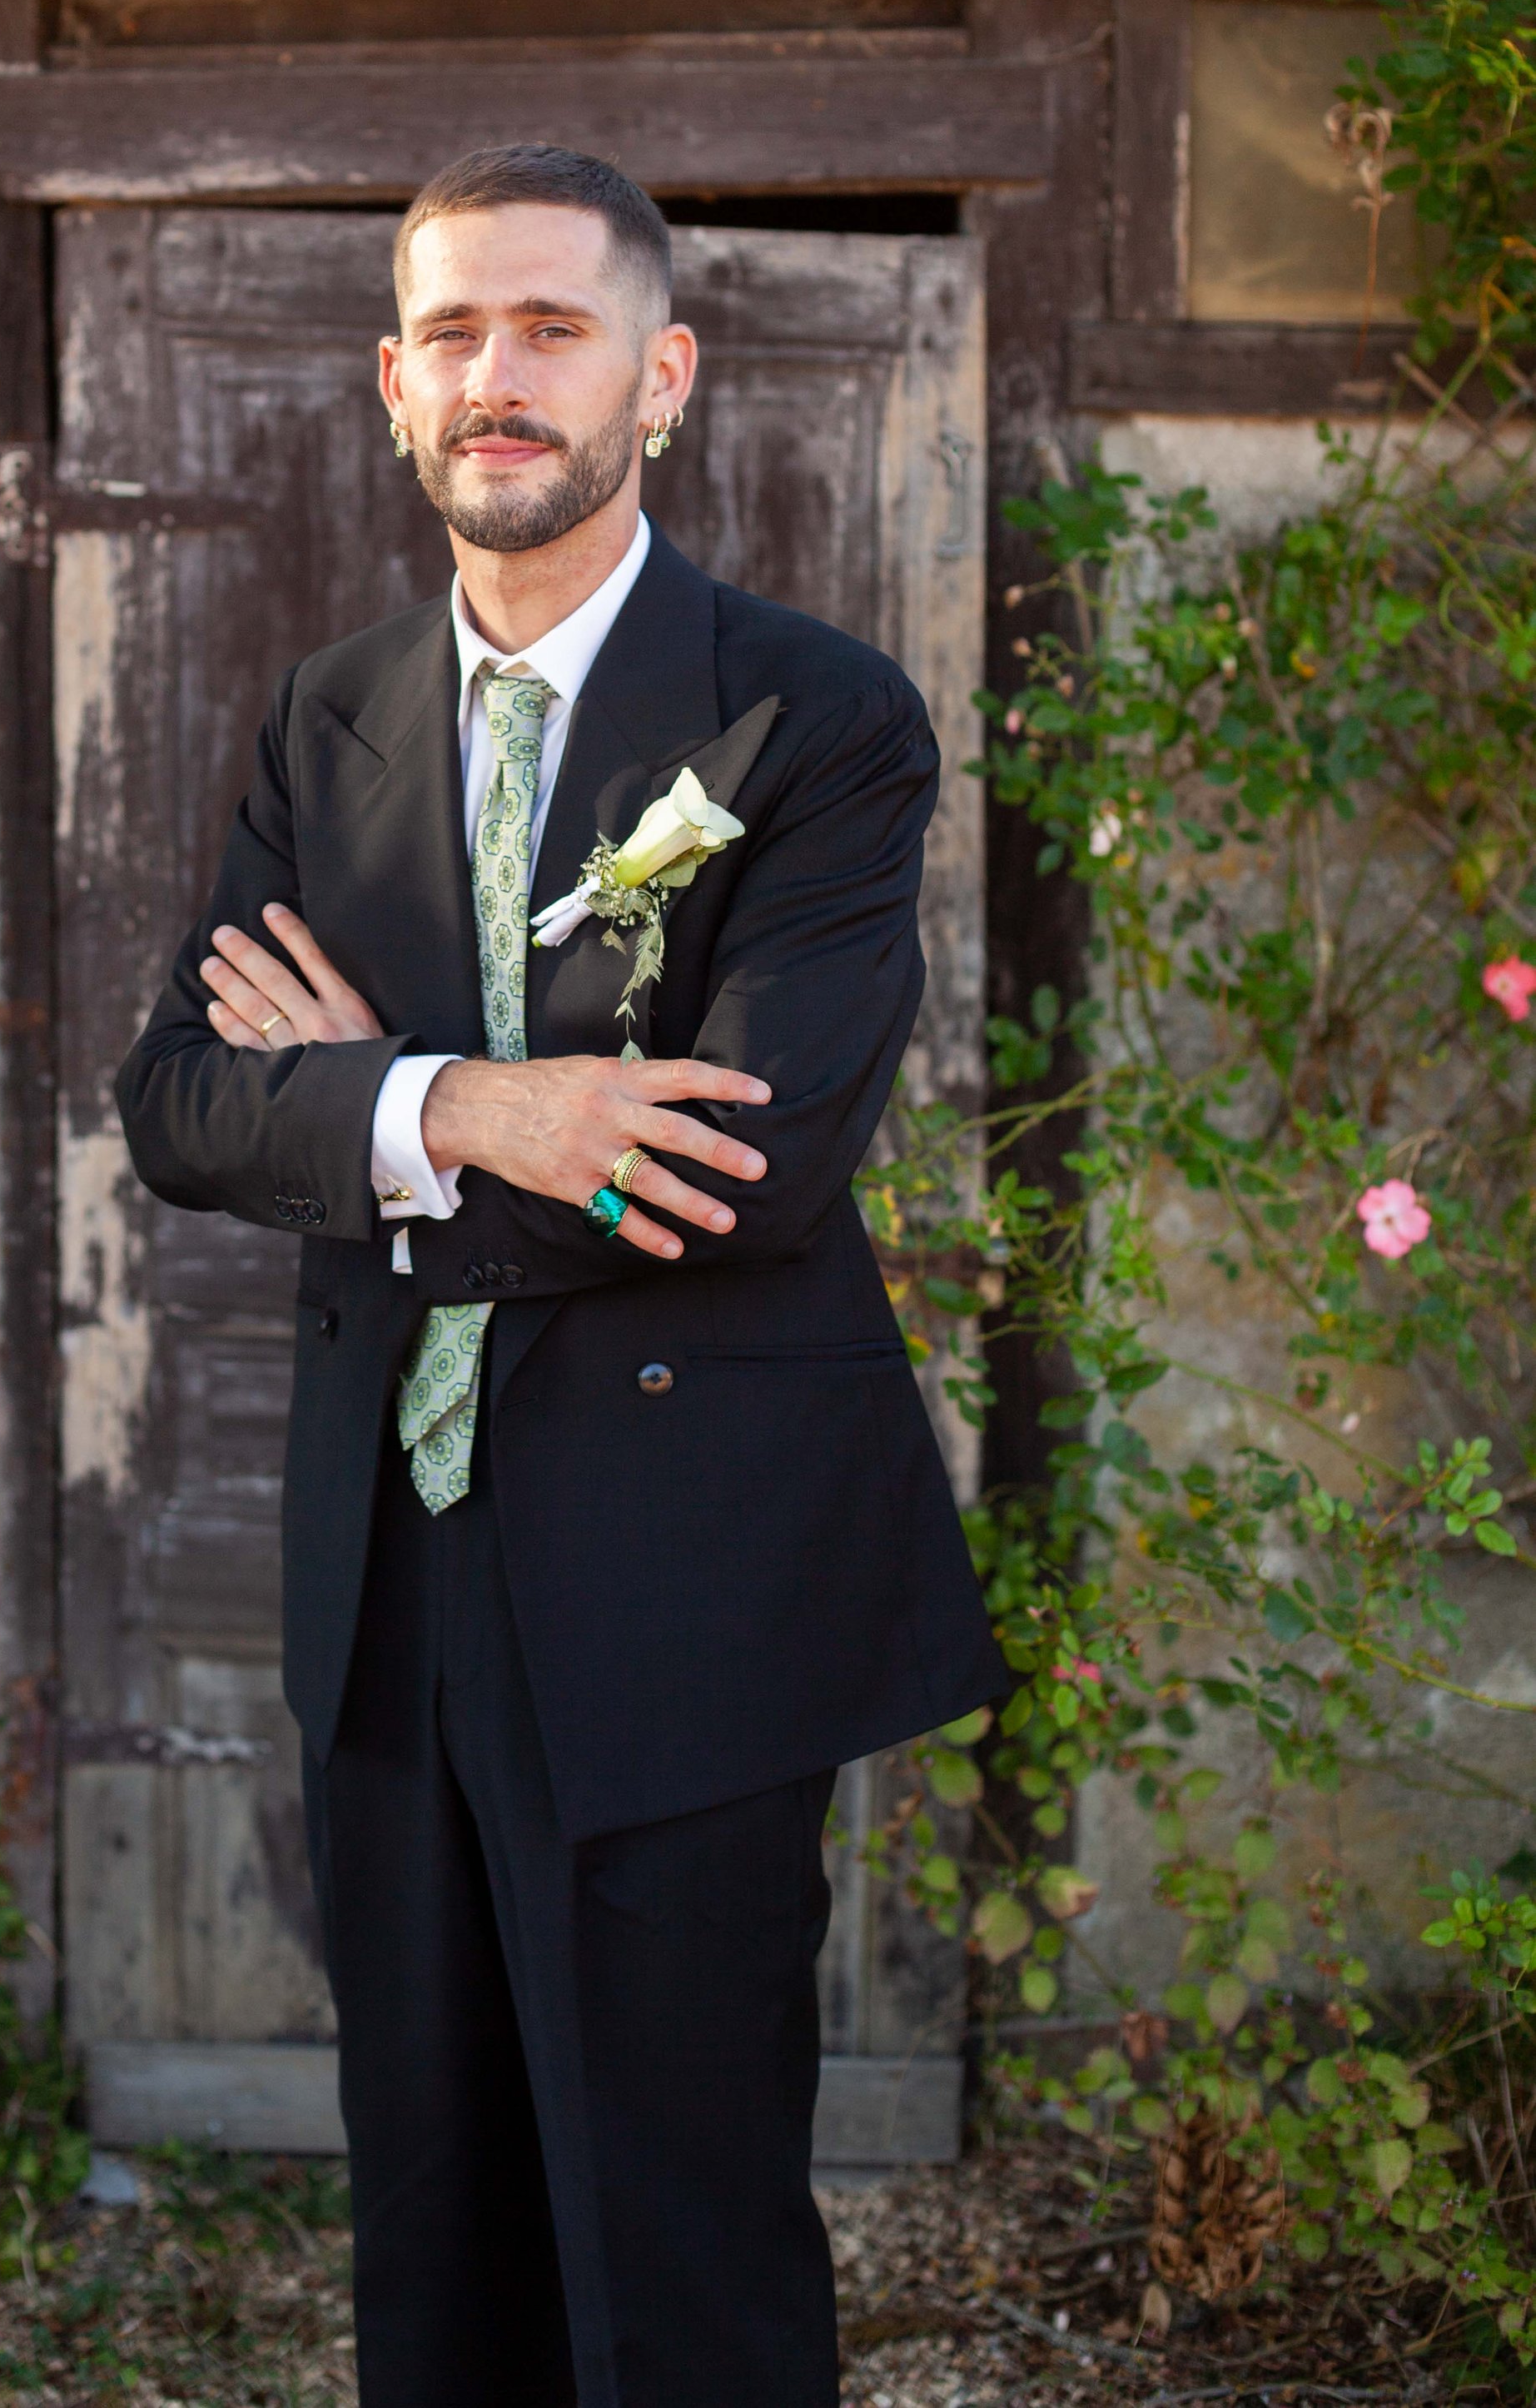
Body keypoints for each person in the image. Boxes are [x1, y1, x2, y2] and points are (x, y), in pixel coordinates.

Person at [116, 142, 1002, 2408]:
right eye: (450, 332)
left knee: (674, 2224)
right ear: (388, 386)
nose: (493, 377)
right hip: (386, 1577)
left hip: (681, 1565)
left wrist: (362, 1112)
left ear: (661, 374)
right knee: (432, 2217)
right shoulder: (326, 721)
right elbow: (180, 1110)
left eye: (550, 328)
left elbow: (743, 1168)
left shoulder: (804, 720)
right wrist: (477, 1107)